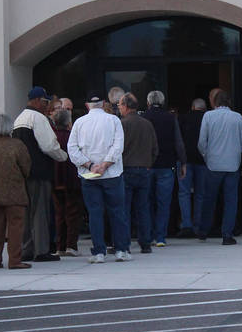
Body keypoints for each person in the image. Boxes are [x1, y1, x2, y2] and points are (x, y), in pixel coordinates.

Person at [67, 92, 131, 263]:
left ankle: (98, 252)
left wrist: (90, 165)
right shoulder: (114, 120)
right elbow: (118, 146)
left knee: (95, 213)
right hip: (112, 174)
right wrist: (105, 165)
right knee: (117, 212)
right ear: (103, 103)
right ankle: (121, 249)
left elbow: (72, 149)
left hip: (89, 175)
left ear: (87, 105)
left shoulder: (79, 123)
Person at [12, 87, 68, 263]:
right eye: (45, 101)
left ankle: (26, 249)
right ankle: (41, 250)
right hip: (39, 172)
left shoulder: (19, 119)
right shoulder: (38, 118)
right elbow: (49, 146)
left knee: (27, 212)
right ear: (37, 100)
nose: (47, 105)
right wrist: (64, 156)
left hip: (23, 173)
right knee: (40, 212)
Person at [197, 90, 242, 245]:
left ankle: (203, 230)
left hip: (213, 165)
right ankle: (227, 234)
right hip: (232, 165)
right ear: (229, 102)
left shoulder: (208, 116)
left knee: (209, 199)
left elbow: (201, 142)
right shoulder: (237, 117)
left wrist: (207, 157)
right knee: (231, 201)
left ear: (214, 102)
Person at [0, 113, 32, 269]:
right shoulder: (17, 144)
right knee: (15, 228)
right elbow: (26, 167)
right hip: (15, 193)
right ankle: (15, 261)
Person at [141, 90, 186, 247]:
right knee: (163, 203)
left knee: (146, 202)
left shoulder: (143, 117)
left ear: (148, 102)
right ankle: (160, 237)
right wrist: (183, 162)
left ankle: (147, 235)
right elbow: (178, 142)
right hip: (167, 165)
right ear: (162, 102)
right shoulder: (171, 117)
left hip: (147, 165)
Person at [120, 92, 158, 253]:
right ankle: (146, 243)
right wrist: (148, 163)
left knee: (125, 209)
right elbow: (155, 149)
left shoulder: (122, 124)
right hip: (144, 169)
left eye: (120, 105)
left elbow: (117, 148)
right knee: (143, 208)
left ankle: (124, 244)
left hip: (126, 169)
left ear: (126, 106)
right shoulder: (147, 124)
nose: (119, 108)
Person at [52, 108, 84, 256]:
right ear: (69, 122)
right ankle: (71, 245)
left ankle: (60, 246)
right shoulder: (73, 137)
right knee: (73, 213)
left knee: (59, 214)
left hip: (55, 179)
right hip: (72, 180)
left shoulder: (52, 138)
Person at [176, 98, 208, 238]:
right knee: (200, 194)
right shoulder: (207, 118)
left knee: (184, 193)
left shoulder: (183, 118)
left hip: (185, 160)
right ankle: (198, 225)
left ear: (192, 107)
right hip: (202, 160)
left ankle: (186, 225)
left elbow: (178, 140)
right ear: (204, 108)